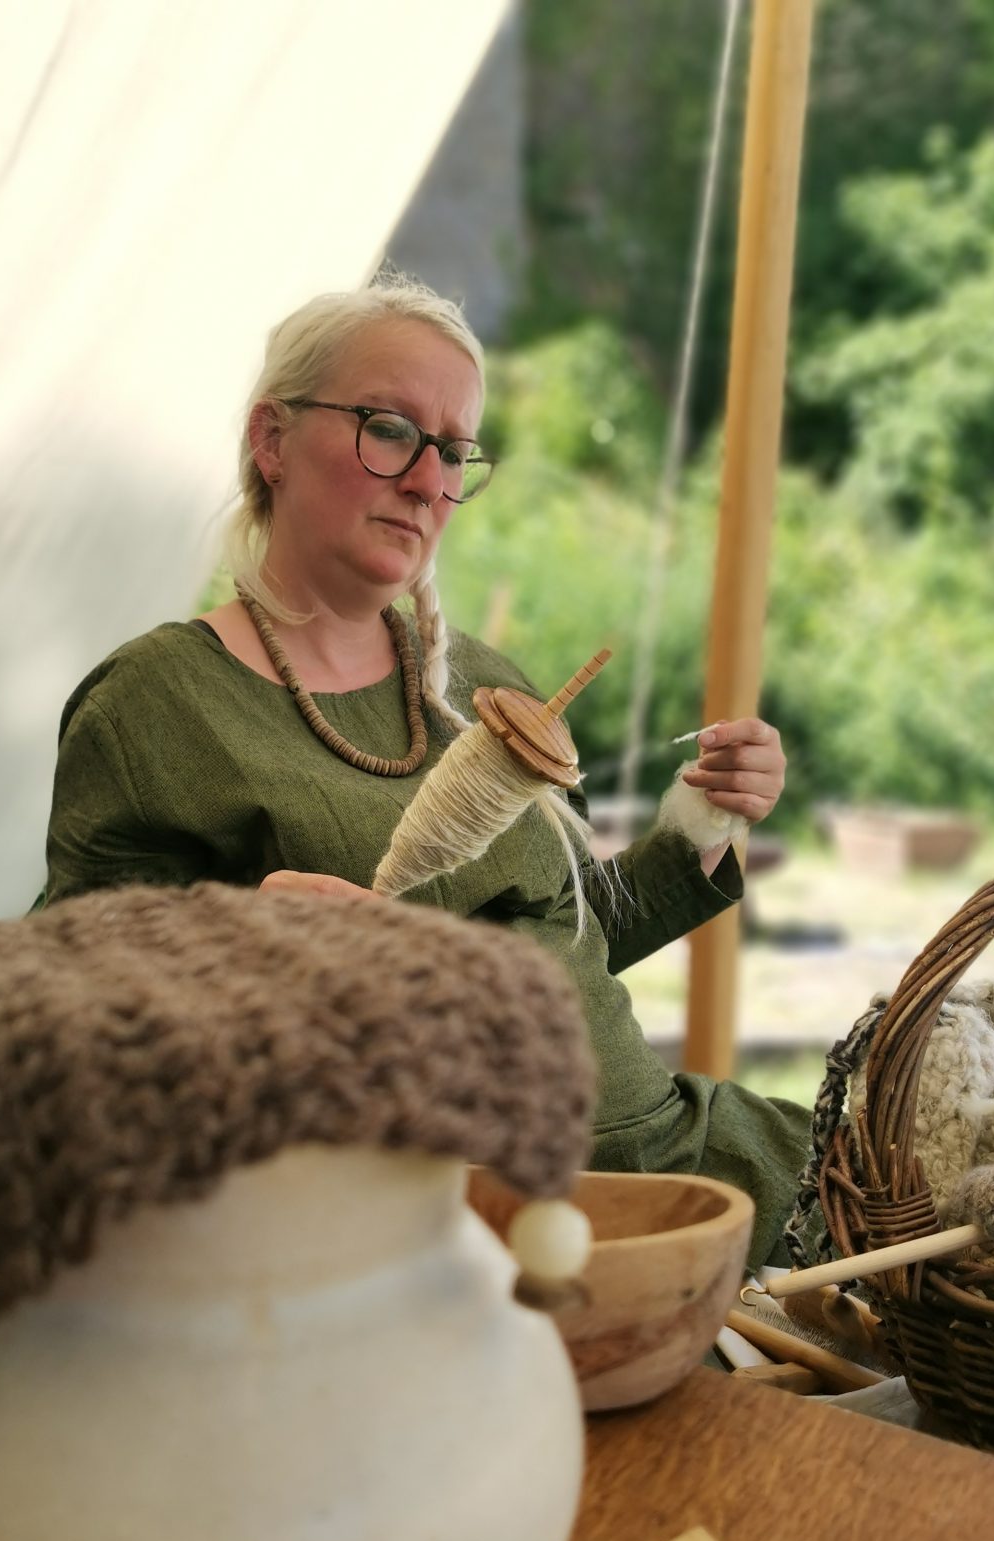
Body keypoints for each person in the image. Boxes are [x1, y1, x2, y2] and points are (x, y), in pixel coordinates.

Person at [39, 275, 809, 1266]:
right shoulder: (158, 706)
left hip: (684, 1168)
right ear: (272, 440)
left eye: (453, 452)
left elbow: (571, 940)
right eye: (390, 429)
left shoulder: (484, 685)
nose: (426, 481)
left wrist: (701, 824)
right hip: (471, 1241)